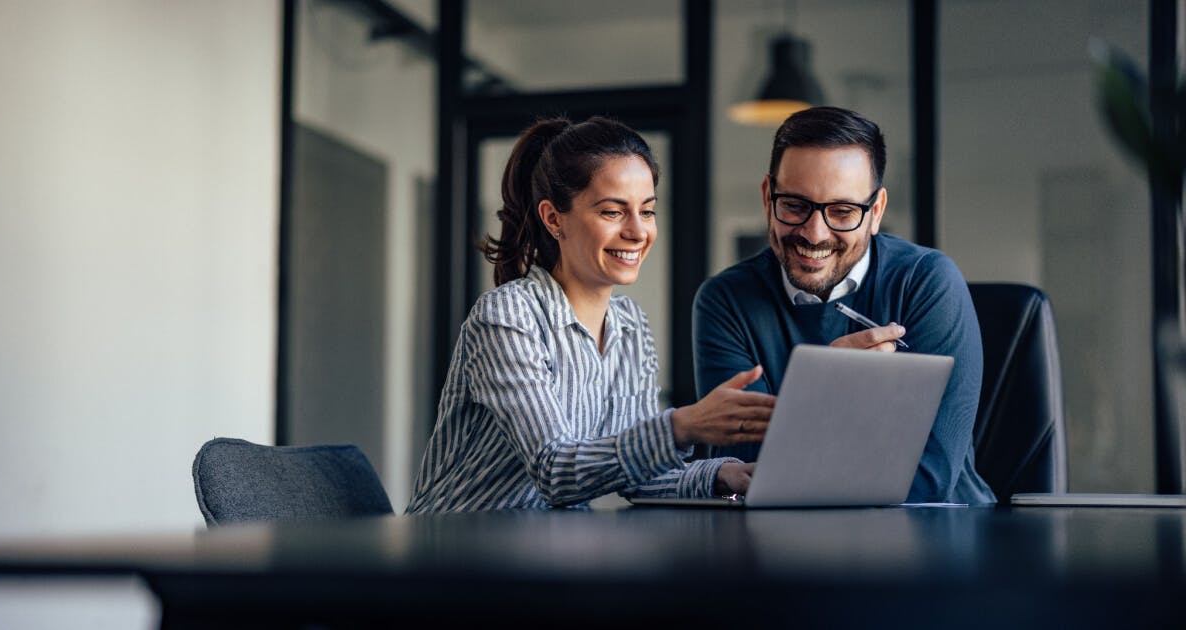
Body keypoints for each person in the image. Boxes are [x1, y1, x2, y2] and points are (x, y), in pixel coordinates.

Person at [407, 116, 776, 513]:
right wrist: (682, 426)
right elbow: (555, 471)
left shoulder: (631, 325)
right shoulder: (506, 316)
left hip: (546, 552)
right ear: (553, 219)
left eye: (647, 211)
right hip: (452, 553)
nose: (638, 231)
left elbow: (637, 473)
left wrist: (723, 475)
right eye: (613, 212)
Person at [692, 106, 996, 505]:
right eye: (795, 205)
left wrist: (805, 429)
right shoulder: (725, 302)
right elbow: (749, 473)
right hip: (785, 547)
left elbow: (930, 475)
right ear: (768, 197)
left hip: (938, 537)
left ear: (876, 212)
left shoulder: (928, 282)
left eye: (842, 212)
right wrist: (827, 390)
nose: (814, 234)